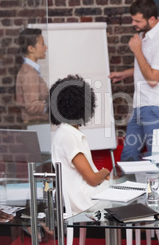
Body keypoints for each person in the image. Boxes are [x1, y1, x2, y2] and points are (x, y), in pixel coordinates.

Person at [109, 0, 159, 161]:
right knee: (128, 156)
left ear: (152, 19)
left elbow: (153, 79)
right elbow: (148, 66)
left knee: (158, 160)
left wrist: (137, 50)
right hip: (142, 104)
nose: (134, 24)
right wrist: (124, 74)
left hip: (156, 106)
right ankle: (127, 187)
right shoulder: (145, 35)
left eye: (137, 21)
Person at [50, 74, 110, 214]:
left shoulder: (63, 133)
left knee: (135, 192)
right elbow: (92, 180)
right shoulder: (69, 136)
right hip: (87, 200)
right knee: (143, 194)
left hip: (82, 199)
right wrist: (105, 172)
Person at [16, 28, 49, 124]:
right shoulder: (29, 73)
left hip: (36, 125)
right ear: (31, 49)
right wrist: (51, 104)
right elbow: (32, 106)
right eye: (42, 44)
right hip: (35, 125)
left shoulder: (30, 70)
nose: (45, 47)